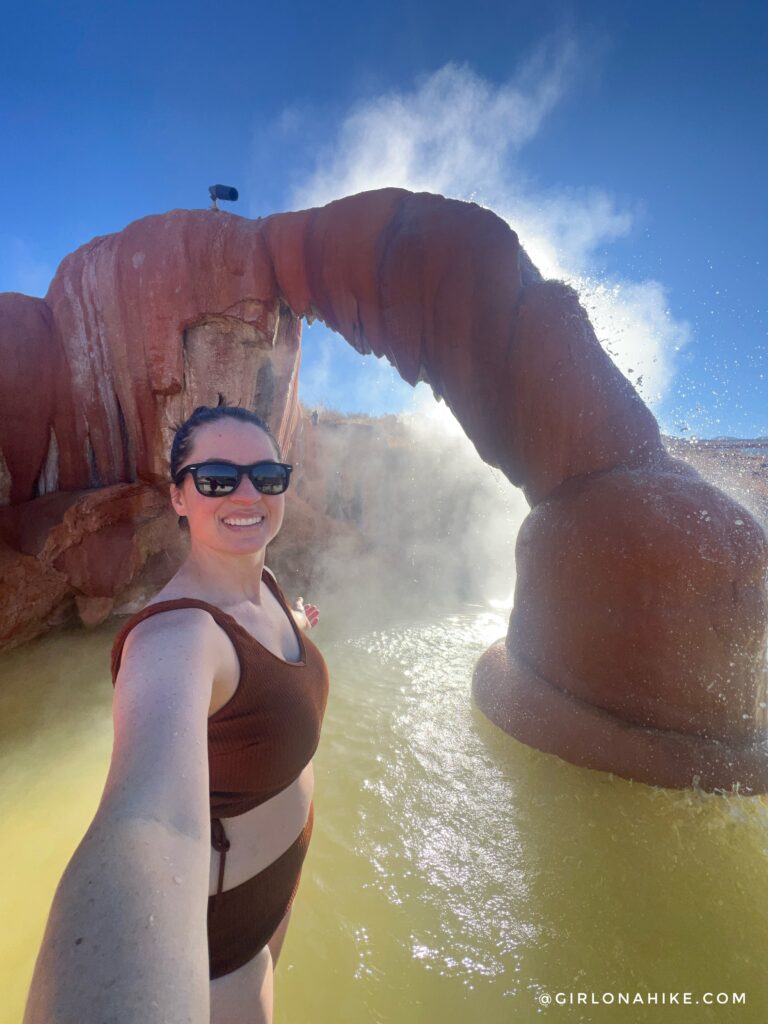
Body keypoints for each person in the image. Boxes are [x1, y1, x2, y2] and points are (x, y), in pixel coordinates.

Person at [23, 402, 329, 1024]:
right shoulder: (176, 638)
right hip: (217, 946)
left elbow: (260, 673)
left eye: (267, 477)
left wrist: (296, 623)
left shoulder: (263, 585)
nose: (247, 493)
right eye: (217, 478)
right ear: (180, 498)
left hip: (273, 894)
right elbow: (150, 823)